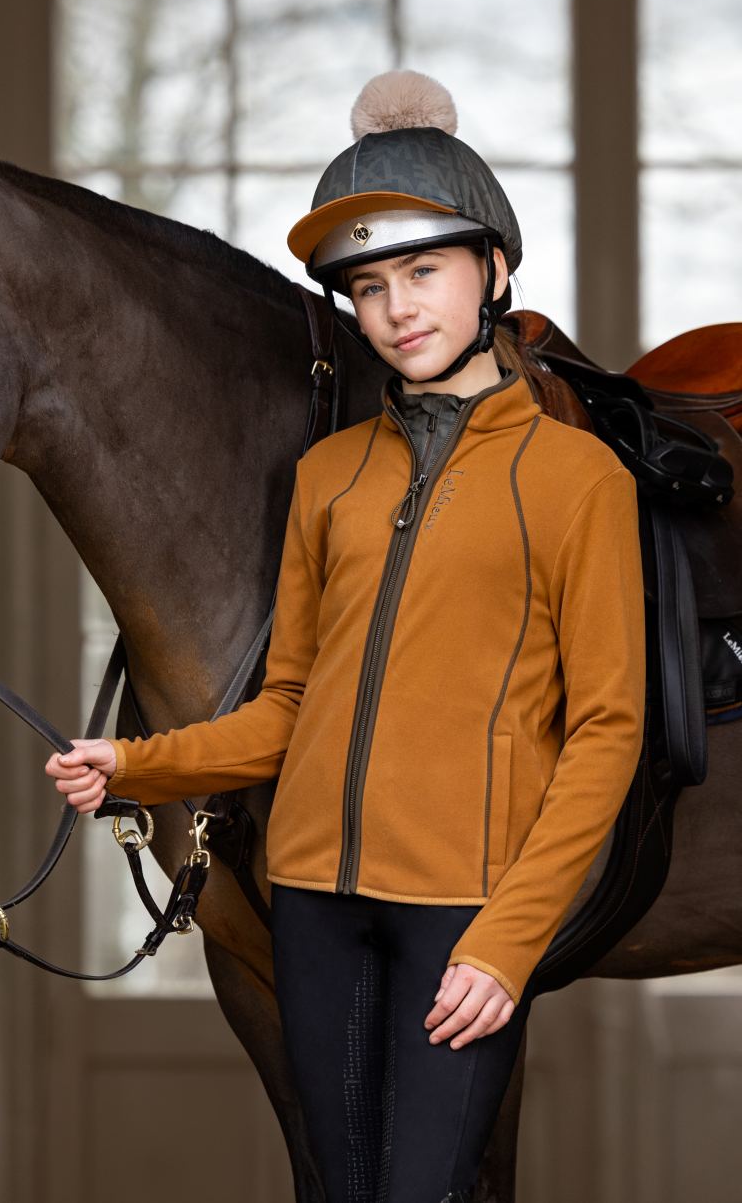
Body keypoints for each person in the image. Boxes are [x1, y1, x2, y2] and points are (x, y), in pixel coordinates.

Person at [44, 71, 647, 1203]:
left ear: (495, 272)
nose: (397, 308)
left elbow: (607, 733)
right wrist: (134, 764)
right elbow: (287, 707)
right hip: (312, 905)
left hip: (461, 913)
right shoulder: (329, 475)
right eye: (366, 287)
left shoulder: (580, 481)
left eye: (424, 270)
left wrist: (508, 939)